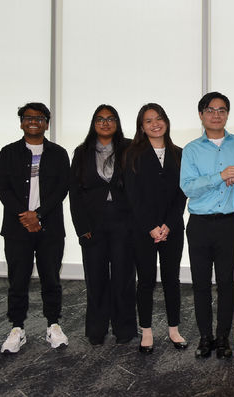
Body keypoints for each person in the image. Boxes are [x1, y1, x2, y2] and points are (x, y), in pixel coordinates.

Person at [180, 92, 234, 359]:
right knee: (201, 285)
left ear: (227, 114)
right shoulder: (191, 149)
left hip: (230, 224)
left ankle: (223, 338)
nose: (216, 115)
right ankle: (205, 338)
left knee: (227, 284)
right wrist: (219, 177)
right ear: (201, 115)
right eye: (210, 110)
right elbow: (188, 187)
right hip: (200, 225)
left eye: (221, 110)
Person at [0, 102, 70, 353]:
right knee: (17, 280)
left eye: (40, 117)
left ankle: (53, 325)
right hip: (17, 229)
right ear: (21, 122)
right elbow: (2, 187)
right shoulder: (8, 152)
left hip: (50, 227)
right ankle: (17, 328)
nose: (34, 121)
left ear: (47, 123)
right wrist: (24, 216)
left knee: (51, 279)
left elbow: (62, 188)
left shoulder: (59, 153)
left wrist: (37, 214)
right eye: (28, 117)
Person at [69, 105, 137, 345]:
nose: (105, 123)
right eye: (100, 119)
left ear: (117, 123)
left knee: (124, 278)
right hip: (93, 224)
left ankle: (125, 330)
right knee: (95, 278)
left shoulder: (130, 148)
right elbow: (75, 194)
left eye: (110, 119)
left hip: (124, 224)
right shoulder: (82, 151)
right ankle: (96, 330)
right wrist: (81, 228)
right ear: (93, 123)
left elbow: (140, 187)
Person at [124, 103, 188, 354]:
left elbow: (182, 194)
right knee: (146, 281)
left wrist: (168, 225)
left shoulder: (179, 153)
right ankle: (147, 332)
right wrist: (151, 226)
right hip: (143, 228)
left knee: (172, 279)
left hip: (172, 227)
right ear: (142, 126)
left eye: (159, 118)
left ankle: (174, 329)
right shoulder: (132, 153)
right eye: (148, 120)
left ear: (167, 121)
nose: (155, 124)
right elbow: (132, 195)